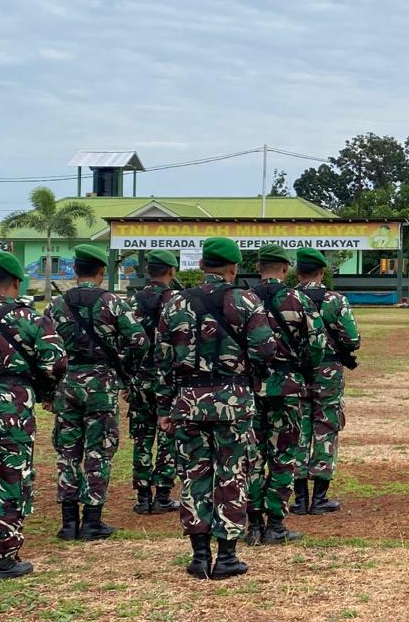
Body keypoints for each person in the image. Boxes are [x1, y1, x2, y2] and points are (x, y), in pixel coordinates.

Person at [156, 237, 277, 579]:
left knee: (194, 475)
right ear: (233, 267)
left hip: (188, 402)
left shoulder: (175, 303)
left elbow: (161, 361)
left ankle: (198, 555)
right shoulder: (245, 300)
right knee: (232, 474)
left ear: (201, 265)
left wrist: (165, 407)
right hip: (233, 402)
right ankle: (226, 556)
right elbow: (266, 349)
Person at [0, 251, 67, 581]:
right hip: (11, 408)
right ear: (16, 281)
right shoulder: (30, 319)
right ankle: (1, 558)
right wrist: (43, 390)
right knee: (10, 480)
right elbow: (55, 362)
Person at [48, 243, 145, 542]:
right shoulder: (111, 302)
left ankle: (67, 523)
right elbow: (139, 341)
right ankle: (91, 521)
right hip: (101, 384)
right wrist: (122, 364)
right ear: (102, 271)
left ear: (76, 270)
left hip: (67, 383)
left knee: (67, 452)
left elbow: (46, 347)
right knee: (98, 451)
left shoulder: (57, 305)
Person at [247, 244, 327, 545]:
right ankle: (276, 525)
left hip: (251, 387)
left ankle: (253, 524)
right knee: (283, 456)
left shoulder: (244, 299)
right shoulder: (297, 299)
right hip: (288, 386)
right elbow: (317, 343)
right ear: (285, 268)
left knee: (252, 456)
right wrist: (304, 370)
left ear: (258, 267)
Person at [291, 247, 360, 516]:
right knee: (326, 428)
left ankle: (298, 498)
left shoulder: (288, 299)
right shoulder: (335, 301)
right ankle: (319, 498)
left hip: (294, 374)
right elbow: (352, 339)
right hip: (327, 373)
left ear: (298, 272)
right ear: (321, 272)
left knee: (298, 430)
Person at [129, 250, 182, 515]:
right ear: (171, 272)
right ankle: (162, 494)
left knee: (141, 437)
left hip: (140, 378)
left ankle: (142, 497)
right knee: (168, 435)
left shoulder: (132, 300)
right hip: (167, 377)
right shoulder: (176, 301)